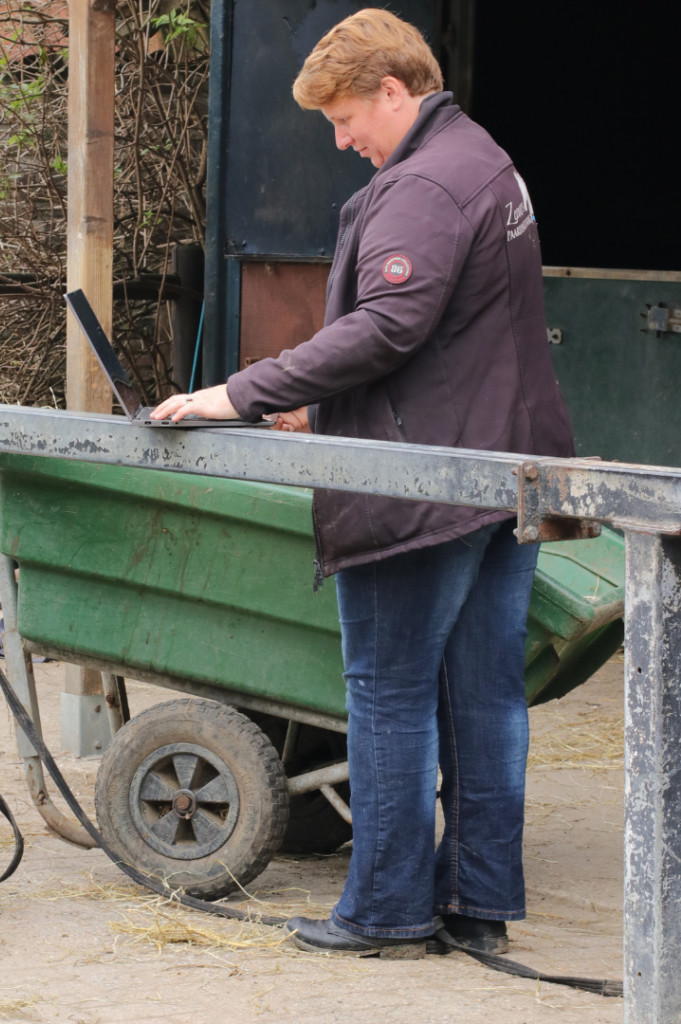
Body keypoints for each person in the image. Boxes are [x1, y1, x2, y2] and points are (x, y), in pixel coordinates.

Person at [151, 8, 574, 958]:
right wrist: (323, 407)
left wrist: (236, 392)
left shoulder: (424, 180)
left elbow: (388, 327)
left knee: (387, 693)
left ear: (395, 89)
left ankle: (384, 911)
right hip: (500, 468)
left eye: (347, 118)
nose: (342, 142)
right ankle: (475, 905)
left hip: (420, 482)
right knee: (484, 699)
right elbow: (455, 338)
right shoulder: (485, 159)